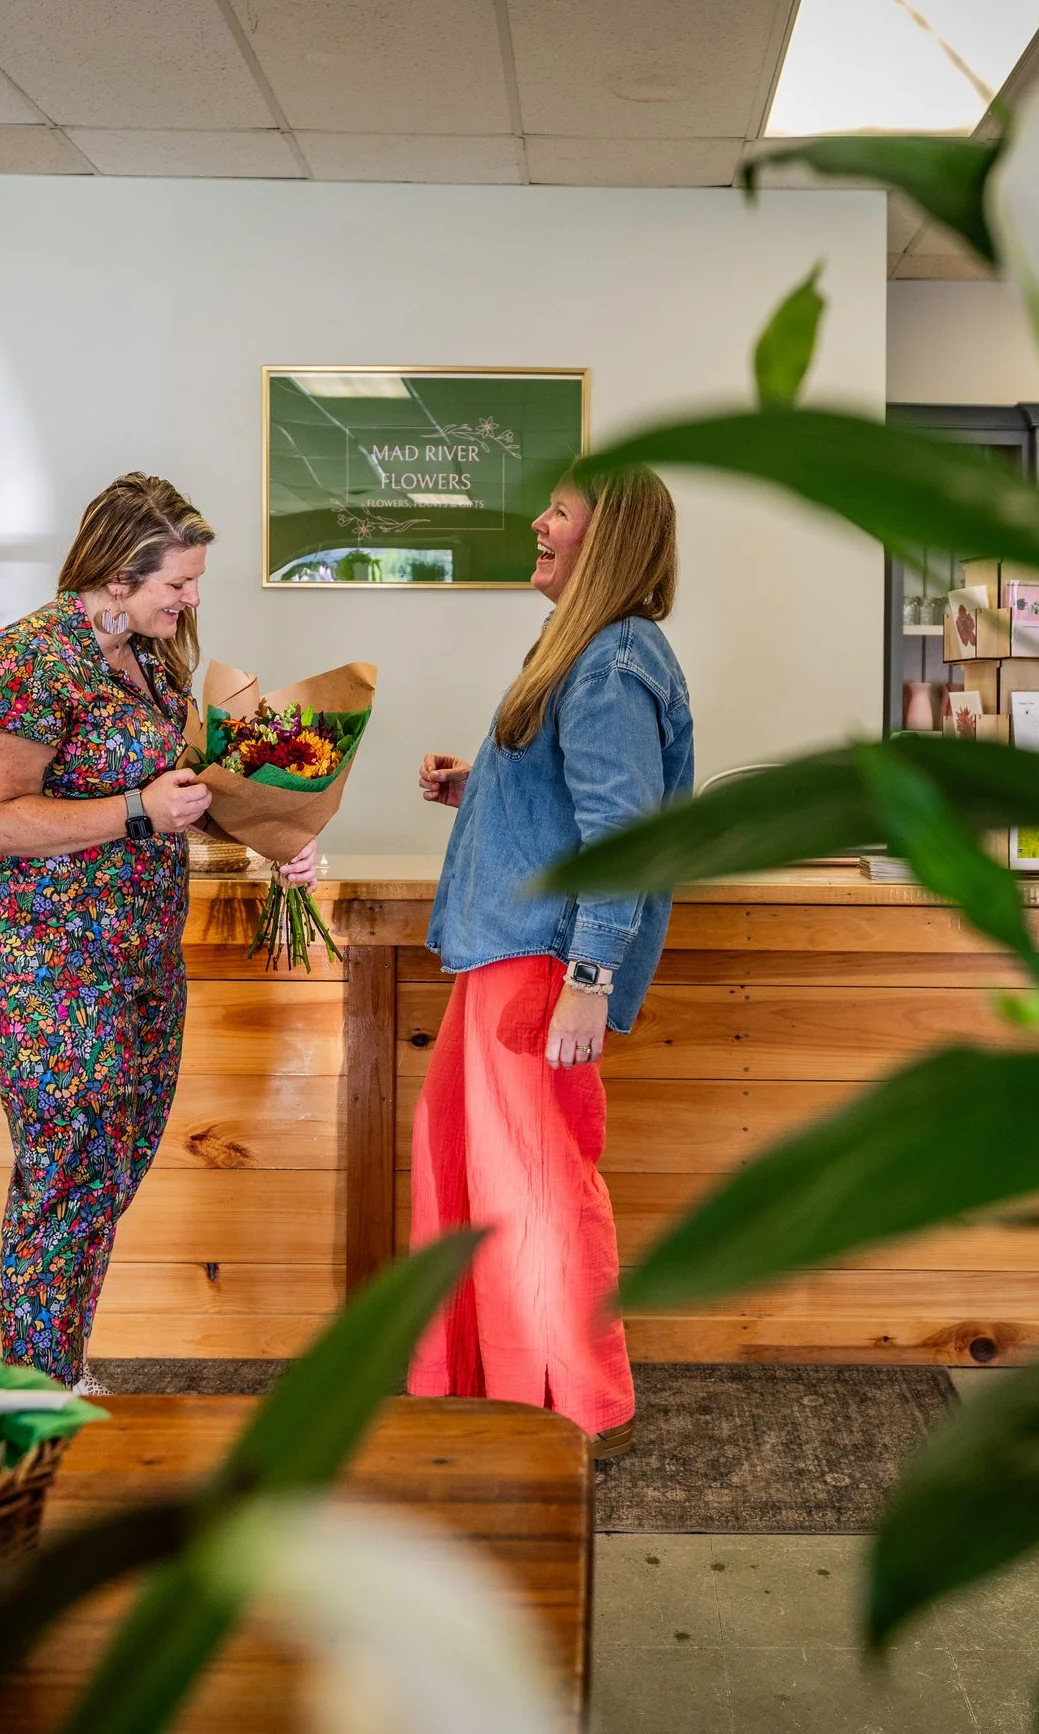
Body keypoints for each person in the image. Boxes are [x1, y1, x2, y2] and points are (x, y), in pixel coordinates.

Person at [0, 472, 317, 1388]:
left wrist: (279, 837)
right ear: (117, 573)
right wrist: (138, 812)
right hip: (45, 963)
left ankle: (56, 1367)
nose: (192, 599)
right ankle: (32, 1391)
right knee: (65, 1174)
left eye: (193, 581)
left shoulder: (152, 663)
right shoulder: (26, 660)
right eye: (176, 584)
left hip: (140, 961)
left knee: (109, 1171)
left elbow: (189, 794)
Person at [408, 461, 693, 1455]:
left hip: (541, 966)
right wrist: (482, 786)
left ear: (603, 536)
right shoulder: (586, 652)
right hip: (511, 955)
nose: (537, 521)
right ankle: (483, 1389)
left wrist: (588, 978)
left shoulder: (611, 663)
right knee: (473, 1173)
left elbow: (626, 835)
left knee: (533, 1190)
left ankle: (577, 1411)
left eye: (558, 511)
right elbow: (574, 802)